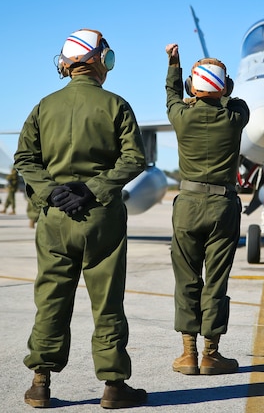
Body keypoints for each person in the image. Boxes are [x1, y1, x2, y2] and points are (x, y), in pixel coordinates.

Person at [15, 28, 147, 409]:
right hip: (101, 218)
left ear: (69, 64)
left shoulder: (43, 106)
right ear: (98, 60)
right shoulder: (116, 105)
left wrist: (53, 192)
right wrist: (92, 189)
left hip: (55, 219)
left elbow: (25, 159)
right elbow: (133, 159)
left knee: (51, 298)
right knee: (106, 302)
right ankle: (114, 385)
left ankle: (40, 382)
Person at [164, 43, 249, 376]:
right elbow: (231, 98)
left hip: (187, 206)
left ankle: (188, 355)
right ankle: (212, 355)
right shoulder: (235, 115)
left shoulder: (180, 115)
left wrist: (175, 65)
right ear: (224, 88)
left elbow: (172, 94)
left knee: (187, 280)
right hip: (222, 208)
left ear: (192, 88)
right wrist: (219, 91)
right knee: (216, 281)